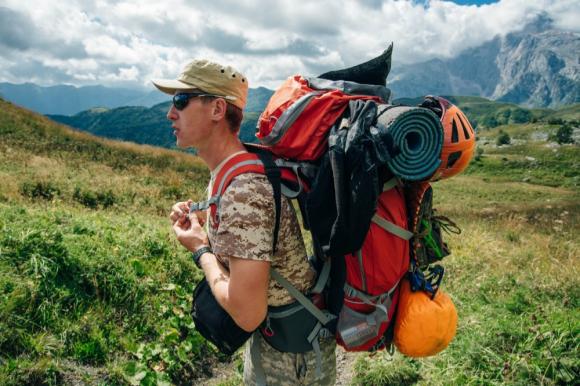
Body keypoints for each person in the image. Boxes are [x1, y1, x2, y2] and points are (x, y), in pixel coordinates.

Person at [152, 59, 336, 385]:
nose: (171, 112)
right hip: (283, 343)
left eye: (181, 100)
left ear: (217, 109)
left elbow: (247, 313)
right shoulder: (238, 165)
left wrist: (200, 250)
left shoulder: (243, 190)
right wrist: (201, 216)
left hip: (290, 362)